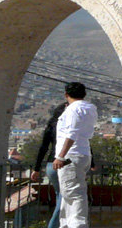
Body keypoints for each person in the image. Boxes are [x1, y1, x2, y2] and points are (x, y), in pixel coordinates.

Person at [53, 82, 97, 228]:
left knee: (73, 193)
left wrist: (61, 156)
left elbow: (72, 133)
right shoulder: (90, 108)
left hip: (71, 155)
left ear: (66, 94)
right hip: (84, 153)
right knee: (68, 193)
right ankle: (66, 224)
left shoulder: (73, 109)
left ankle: (78, 224)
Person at [31, 102, 68, 228]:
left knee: (60, 196)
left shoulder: (51, 126)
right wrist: (92, 163)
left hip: (50, 166)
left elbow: (43, 148)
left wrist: (36, 169)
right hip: (64, 164)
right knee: (64, 198)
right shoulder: (70, 127)